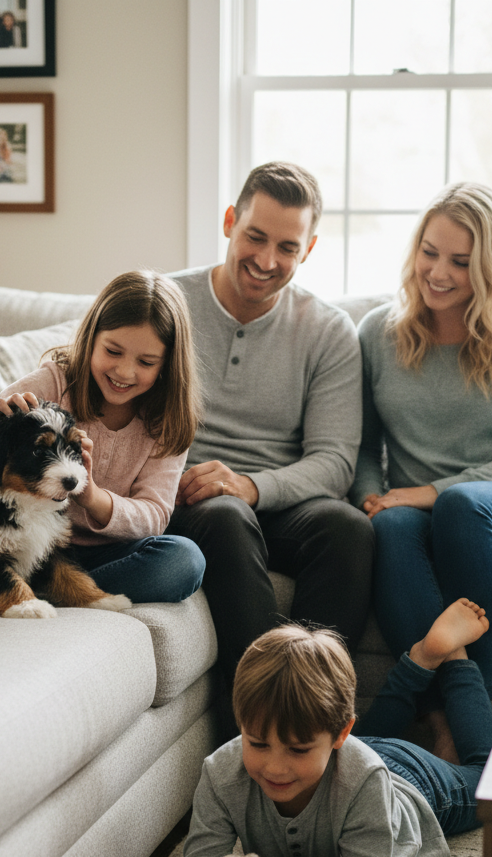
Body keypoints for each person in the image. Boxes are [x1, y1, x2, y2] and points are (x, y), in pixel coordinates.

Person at [167, 161, 374, 742]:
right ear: (229, 222)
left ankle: (316, 724)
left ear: (309, 249)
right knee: (226, 517)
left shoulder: (328, 330)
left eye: (287, 247)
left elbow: (334, 461)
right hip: (187, 495)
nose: (265, 259)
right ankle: (255, 730)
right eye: (255, 236)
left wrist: (251, 485)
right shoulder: (168, 302)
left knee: (348, 529)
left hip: (273, 497)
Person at [350, 182, 492, 706]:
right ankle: (449, 718)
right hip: (416, 510)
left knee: (461, 505)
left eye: (461, 262)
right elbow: (363, 449)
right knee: (390, 526)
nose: (438, 272)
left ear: (490, 268)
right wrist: (373, 499)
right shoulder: (378, 333)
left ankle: (475, 698)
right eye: (429, 252)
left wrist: (430, 491)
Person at [171, 598, 492, 857]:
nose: (275, 768)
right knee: (355, 743)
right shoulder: (221, 773)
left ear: (341, 734)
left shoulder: (365, 780)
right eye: (257, 743)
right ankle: (421, 661)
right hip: (343, 757)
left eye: (297, 749)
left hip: (409, 781)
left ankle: (454, 661)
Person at [0, 270, 207, 605]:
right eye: (113, 351)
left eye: (146, 361)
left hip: (105, 553)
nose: (124, 372)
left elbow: (153, 516)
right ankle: (38, 584)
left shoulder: (167, 420)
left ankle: (58, 587)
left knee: (184, 560)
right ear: (92, 338)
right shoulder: (55, 381)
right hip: (30, 539)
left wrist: (91, 496)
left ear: (167, 364)